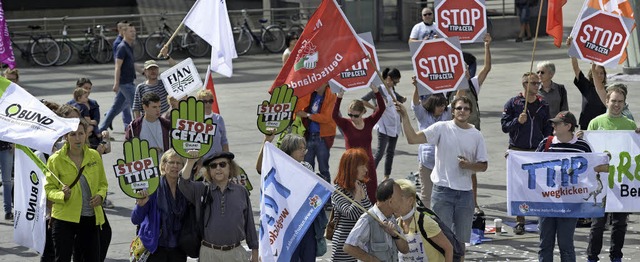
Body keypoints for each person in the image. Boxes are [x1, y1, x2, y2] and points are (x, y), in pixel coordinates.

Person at [398, 96, 488, 250]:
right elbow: (412, 139)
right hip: (443, 192)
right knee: (442, 240)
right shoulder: (441, 127)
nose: (462, 111)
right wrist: (405, 116)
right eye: (459, 108)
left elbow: (483, 165)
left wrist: (468, 165)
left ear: (470, 112)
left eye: (466, 108)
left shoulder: (476, 135)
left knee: (460, 243)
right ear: (452, 111)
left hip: (465, 194)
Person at [586, 85, 640, 262]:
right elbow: (589, 150)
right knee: (597, 223)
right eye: (613, 101)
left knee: (620, 223)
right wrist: (580, 136)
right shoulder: (595, 122)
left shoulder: (630, 124)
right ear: (607, 101)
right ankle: (592, 256)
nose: (617, 104)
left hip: (621, 179)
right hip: (601, 179)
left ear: (624, 103)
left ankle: (616, 255)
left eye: (620, 102)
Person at [535, 111, 598, 262]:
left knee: (566, 244)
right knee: (545, 244)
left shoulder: (582, 146)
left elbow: (592, 169)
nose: (553, 125)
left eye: (557, 123)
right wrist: (512, 158)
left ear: (568, 126)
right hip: (547, 202)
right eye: (553, 122)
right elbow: (532, 164)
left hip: (570, 203)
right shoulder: (546, 143)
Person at [255, 133, 328, 260]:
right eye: (299, 148)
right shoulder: (279, 166)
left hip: (306, 222)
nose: (303, 151)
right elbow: (261, 168)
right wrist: (266, 141)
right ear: (289, 148)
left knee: (308, 257)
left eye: (304, 148)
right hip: (287, 223)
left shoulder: (307, 166)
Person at [45, 119, 109, 262]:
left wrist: (100, 196)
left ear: (86, 135)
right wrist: (61, 195)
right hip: (64, 219)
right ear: (66, 137)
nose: (78, 138)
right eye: (73, 134)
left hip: (90, 218)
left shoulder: (94, 156)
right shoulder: (55, 160)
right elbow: (49, 190)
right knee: (62, 258)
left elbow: (103, 184)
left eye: (81, 133)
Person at [179, 151, 258, 261]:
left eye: (222, 164)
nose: (218, 168)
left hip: (236, 253)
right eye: (213, 166)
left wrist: (255, 251)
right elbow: (183, 183)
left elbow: (249, 224)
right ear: (209, 171)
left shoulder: (241, 191)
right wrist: (190, 162)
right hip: (209, 253)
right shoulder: (201, 189)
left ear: (230, 167)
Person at [501, 72, 552, 234]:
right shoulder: (513, 103)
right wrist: (517, 121)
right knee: (519, 187)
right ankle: (520, 220)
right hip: (518, 150)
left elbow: (547, 128)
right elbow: (504, 126)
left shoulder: (543, 104)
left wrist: (547, 147)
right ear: (525, 84)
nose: (538, 86)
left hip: (536, 150)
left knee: (538, 185)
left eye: (538, 83)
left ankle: (541, 218)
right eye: (534, 83)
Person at [453, 33, 492, 214]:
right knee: (459, 168)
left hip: (474, 132)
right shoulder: (455, 87)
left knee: (473, 170)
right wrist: (462, 78)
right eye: (463, 69)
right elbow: (460, 97)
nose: (466, 71)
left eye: (467, 68)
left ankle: (474, 203)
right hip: (457, 134)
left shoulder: (474, 85)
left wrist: (486, 45)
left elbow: (487, 68)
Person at [131, 149, 188, 262]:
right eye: (171, 162)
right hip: (155, 247)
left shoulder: (186, 188)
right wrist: (141, 205)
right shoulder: (152, 188)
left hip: (179, 247)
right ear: (163, 165)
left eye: (179, 163)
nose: (175, 166)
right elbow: (135, 219)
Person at [333, 84, 385, 202]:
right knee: (352, 194)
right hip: (352, 165)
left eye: (355, 115)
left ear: (362, 113)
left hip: (368, 164)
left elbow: (381, 108)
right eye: (350, 114)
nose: (352, 118)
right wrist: (339, 97)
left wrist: (376, 91)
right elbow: (334, 115)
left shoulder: (369, 122)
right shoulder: (346, 124)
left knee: (371, 194)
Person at [344, 179, 409, 261]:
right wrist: (373, 260)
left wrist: (395, 235)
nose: (402, 201)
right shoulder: (368, 219)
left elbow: (405, 249)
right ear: (390, 202)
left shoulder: (392, 218)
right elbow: (348, 247)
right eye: (400, 198)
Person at [330, 148, 373, 261]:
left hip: (360, 243)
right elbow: (352, 215)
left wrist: (362, 196)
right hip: (343, 244)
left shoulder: (361, 185)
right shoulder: (337, 191)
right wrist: (358, 196)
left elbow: (370, 214)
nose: (366, 169)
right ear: (352, 167)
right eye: (362, 166)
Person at [362, 68, 406, 180]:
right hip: (384, 126)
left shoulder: (391, 89)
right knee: (380, 153)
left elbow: (396, 97)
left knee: (390, 152)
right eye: (395, 81)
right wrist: (375, 108)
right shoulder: (379, 89)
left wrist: (402, 99)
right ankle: (368, 175)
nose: (396, 84)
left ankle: (386, 176)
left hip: (395, 124)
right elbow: (363, 100)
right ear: (388, 79)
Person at [395, 178, 453, 262]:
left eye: (398, 200)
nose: (393, 204)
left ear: (410, 200)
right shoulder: (396, 223)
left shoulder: (425, 222)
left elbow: (448, 248)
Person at [411, 92, 451, 208]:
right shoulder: (423, 115)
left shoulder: (447, 114)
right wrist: (417, 88)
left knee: (444, 193)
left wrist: (462, 82)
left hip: (443, 161)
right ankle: (426, 219)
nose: (442, 108)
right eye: (439, 106)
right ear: (433, 105)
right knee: (426, 193)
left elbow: (458, 98)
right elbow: (415, 104)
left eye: (444, 105)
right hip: (426, 162)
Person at [100, 23, 137, 132]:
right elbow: (117, 66)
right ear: (124, 32)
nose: (134, 33)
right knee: (136, 105)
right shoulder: (122, 47)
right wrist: (116, 83)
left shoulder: (129, 46)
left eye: (134, 31)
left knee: (116, 107)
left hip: (129, 81)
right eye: (131, 31)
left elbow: (132, 63)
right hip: (125, 83)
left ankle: (100, 129)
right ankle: (138, 128)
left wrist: (143, 71)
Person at [296, 83, 337, 183]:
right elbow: (299, 107)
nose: (316, 84)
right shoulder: (310, 94)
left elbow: (327, 117)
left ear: (326, 83)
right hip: (309, 136)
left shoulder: (331, 95)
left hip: (322, 138)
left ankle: (327, 197)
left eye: (320, 82)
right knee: (307, 169)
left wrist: (307, 115)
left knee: (324, 170)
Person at [567, 37, 607, 130]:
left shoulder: (608, 90)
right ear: (592, 74)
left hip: (602, 126)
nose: (599, 75)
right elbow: (576, 69)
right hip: (586, 125)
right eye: (597, 73)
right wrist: (571, 50)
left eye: (602, 73)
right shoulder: (586, 86)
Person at [132, 55, 176, 119]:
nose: (153, 71)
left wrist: (167, 56)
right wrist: (138, 125)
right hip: (149, 121)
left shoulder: (164, 83)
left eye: (155, 69)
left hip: (165, 120)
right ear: (145, 71)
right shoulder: (141, 87)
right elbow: (136, 108)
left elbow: (176, 68)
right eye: (150, 69)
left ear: (158, 70)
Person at [1, 68, 17, 220]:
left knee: (7, 180)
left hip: (6, 146)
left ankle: (8, 210)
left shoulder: (14, 99)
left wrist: (14, 142)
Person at [197, 89, 230, 161]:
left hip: (216, 161)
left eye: (210, 101)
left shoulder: (218, 118)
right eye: (204, 102)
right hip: (201, 162)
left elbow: (224, 141)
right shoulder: (195, 119)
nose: (208, 104)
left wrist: (227, 159)